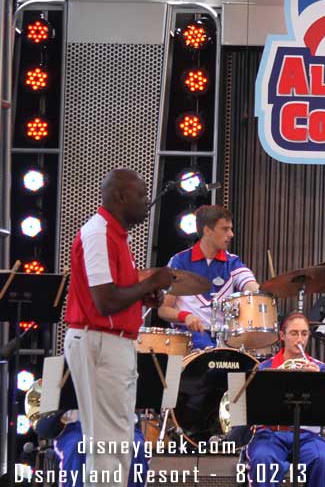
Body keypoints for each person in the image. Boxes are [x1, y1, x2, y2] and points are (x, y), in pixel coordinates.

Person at [63, 168, 173, 487]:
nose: (146, 201)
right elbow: (105, 301)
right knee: (108, 445)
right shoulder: (98, 234)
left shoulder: (115, 236)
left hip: (111, 343)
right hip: (99, 342)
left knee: (118, 442)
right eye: (140, 195)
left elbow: (115, 296)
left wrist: (144, 295)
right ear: (119, 197)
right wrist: (150, 282)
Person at [245, 312, 325, 487]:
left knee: (323, 459)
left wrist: (318, 382)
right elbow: (253, 411)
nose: (299, 339)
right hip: (271, 434)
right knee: (262, 459)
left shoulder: (321, 368)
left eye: (304, 333)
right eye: (294, 333)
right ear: (282, 336)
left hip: (308, 436)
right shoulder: (264, 368)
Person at [157, 205, 258, 349]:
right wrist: (185, 316)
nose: (231, 234)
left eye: (231, 228)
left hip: (225, 338)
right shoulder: (179, 261)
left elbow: (251, 286)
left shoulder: (233, 262)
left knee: (243, 362)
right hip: (187, 338)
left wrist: (263, 291)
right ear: (207, 230)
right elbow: (163, 309)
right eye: (225, 229)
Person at [34, 411, 149, 487]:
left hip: (122, 425)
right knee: (77, 447)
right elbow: (43, 429)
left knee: (137, 447)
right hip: (77, 428)